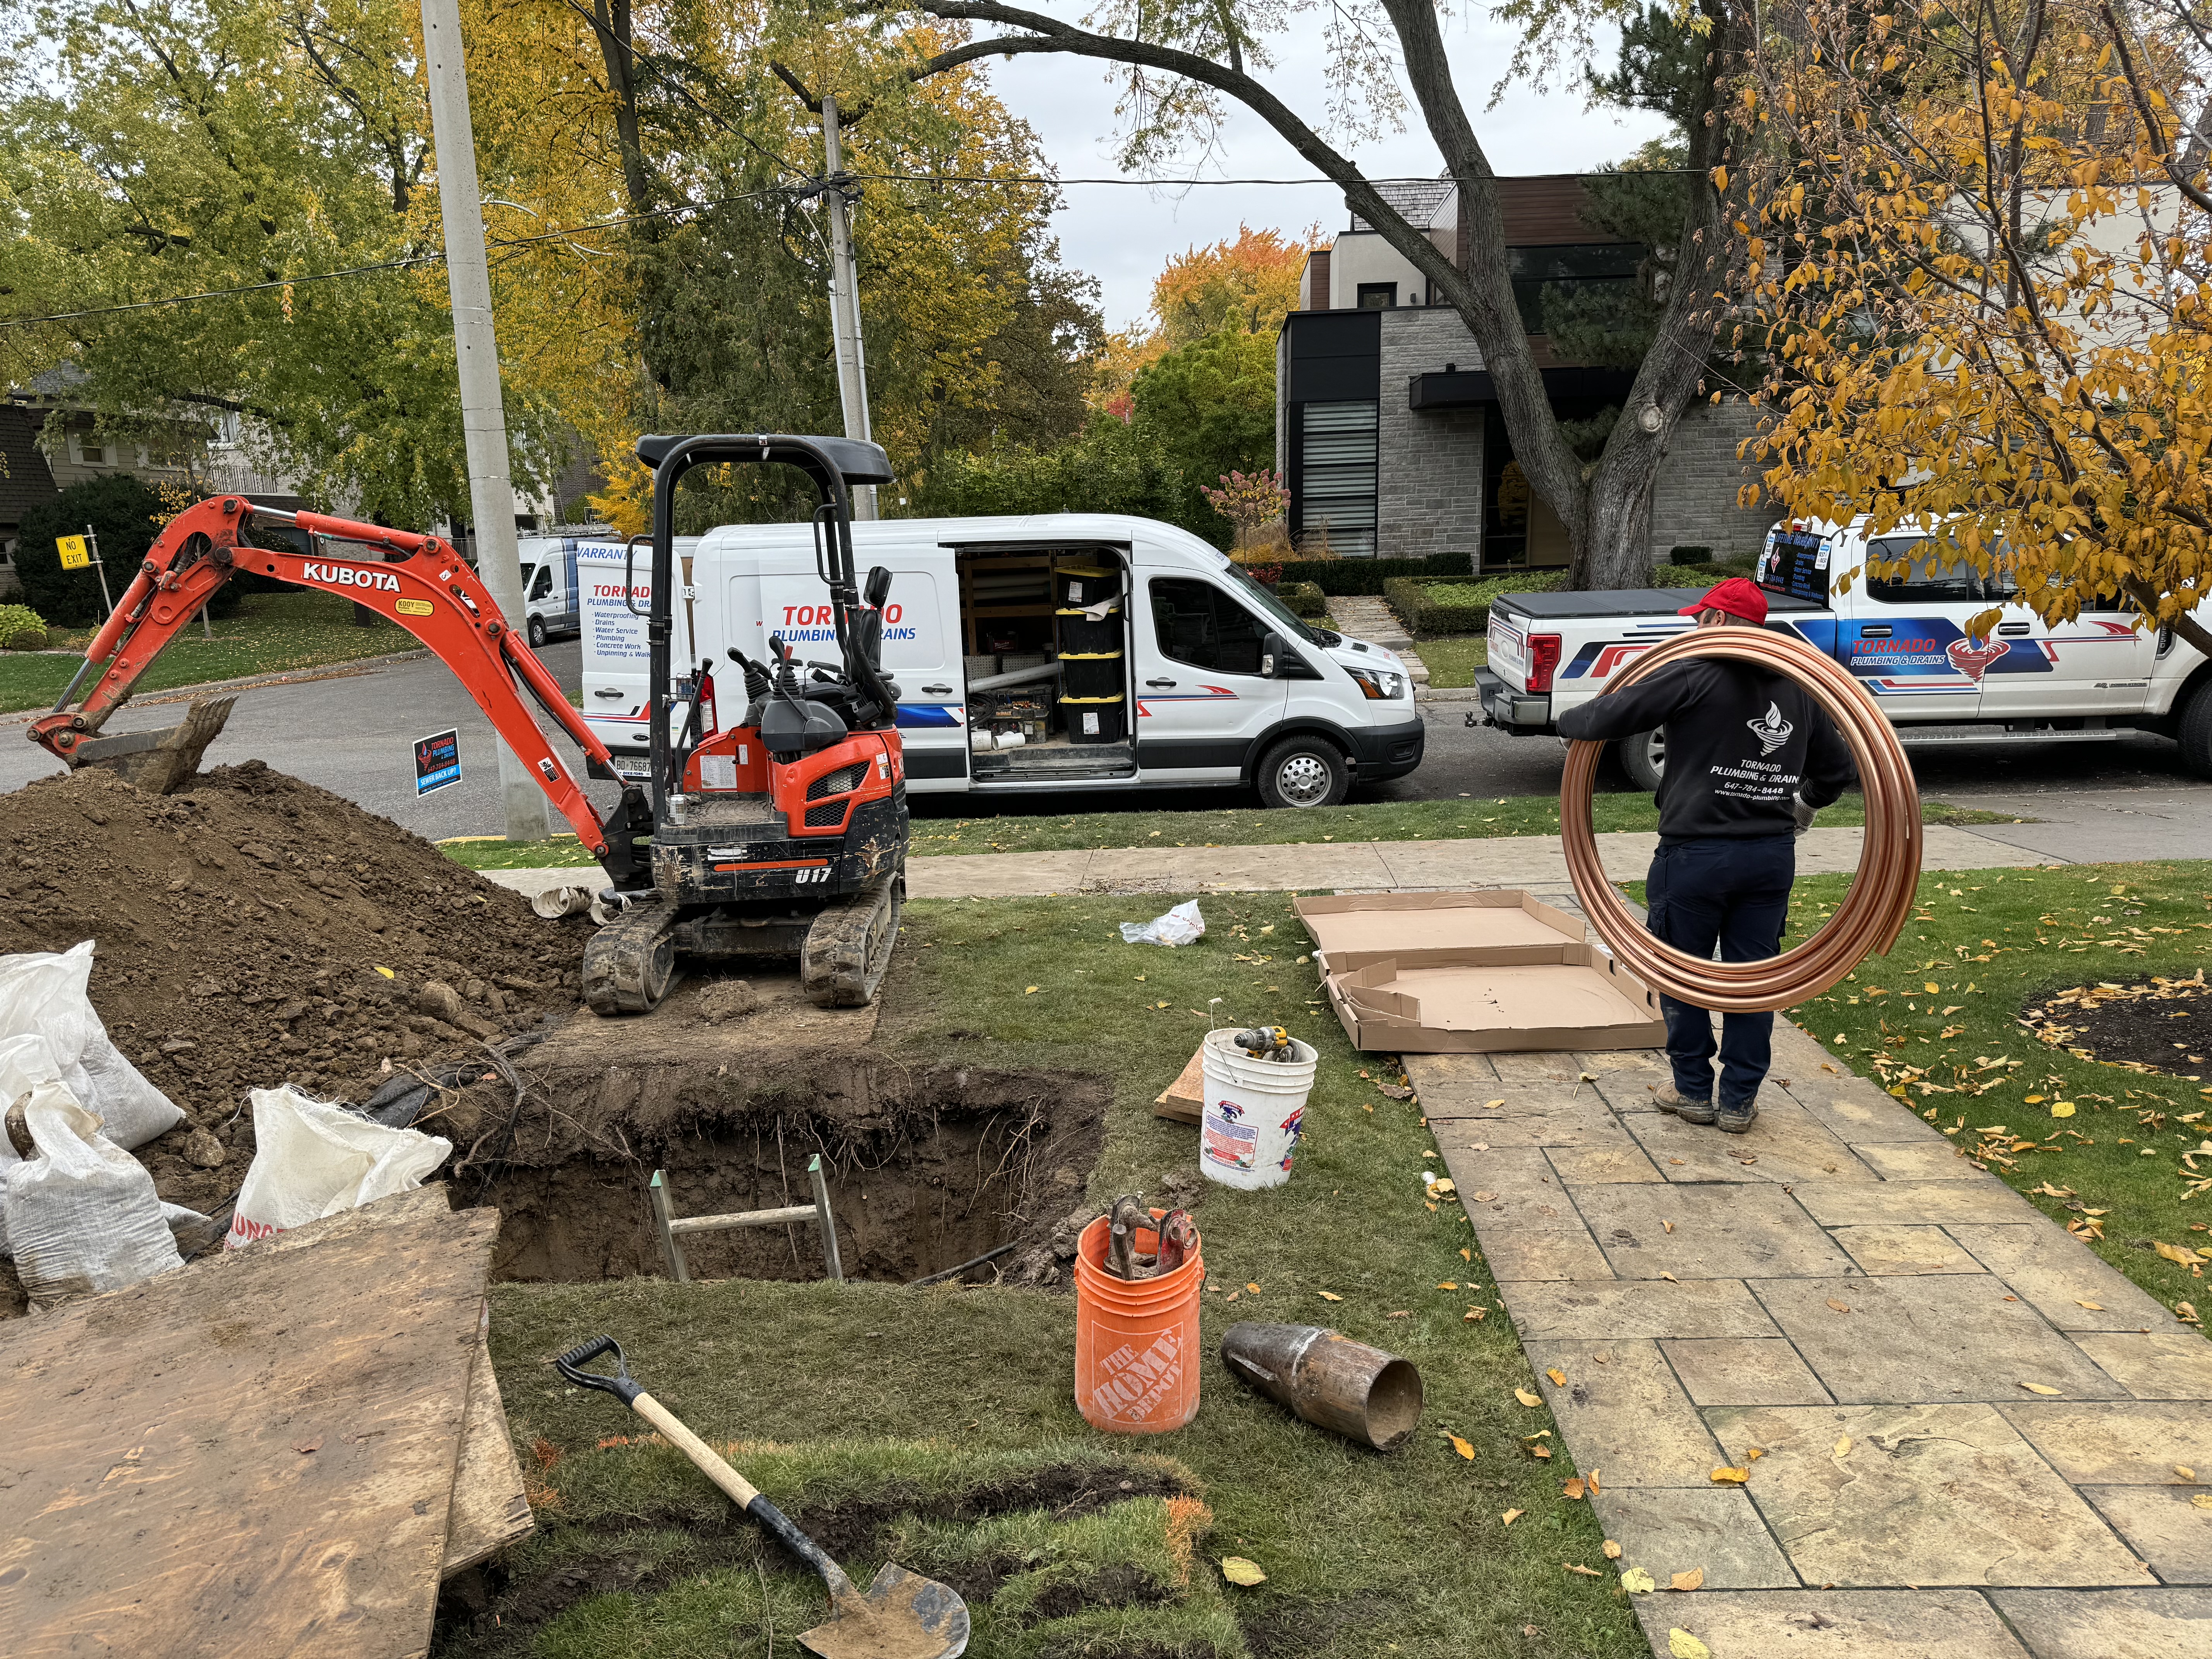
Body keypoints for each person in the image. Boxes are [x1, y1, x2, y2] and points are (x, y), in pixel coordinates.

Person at [1555, 577, 1855, 1133]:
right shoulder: (1800, 686)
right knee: (1754, 980)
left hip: (1694, 857)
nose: (1693, 628)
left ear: (1718, 623)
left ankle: (1694, 1092)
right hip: (1769, 859)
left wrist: (1568, 724)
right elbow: (1838, 771)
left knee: (1680, 974)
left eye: (1700, 619)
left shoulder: (1694, 672)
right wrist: (1803, 805)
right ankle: (1739, 1100)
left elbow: (1606, 718)